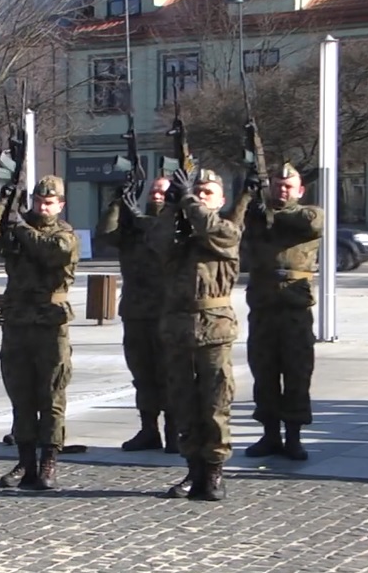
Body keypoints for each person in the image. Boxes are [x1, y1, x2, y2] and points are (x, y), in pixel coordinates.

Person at [0, 175, 78, 490]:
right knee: (20, 394)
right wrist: (3, 203)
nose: (42, 206)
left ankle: (49, 461)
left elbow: (51, 252)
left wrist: (20, 226)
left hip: (50, 322)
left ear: (60, 205)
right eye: (37, 201)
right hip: (18, 321)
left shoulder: (65, 235)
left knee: (51, 395)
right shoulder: (19, 232)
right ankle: (25, 462)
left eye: (49, 202)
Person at [151, 168, 240, 501]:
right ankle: (193, 469)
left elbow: (209, 226)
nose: (201, 196)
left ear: (221, 199)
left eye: (207, 192)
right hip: (178, 327)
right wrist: (172, 207)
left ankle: (215, 470)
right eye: (197, 191)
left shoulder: (226, 230)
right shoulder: (179, 237)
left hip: (214, 327)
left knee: (215, 402)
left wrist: (188, 199)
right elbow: (156, 242)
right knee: (183, 402)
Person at [239, 162, 322, 462]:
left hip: (294, 309)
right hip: (262, 307)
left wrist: (276, 210)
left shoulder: (309, 214)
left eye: (288, 186)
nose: (282, 190)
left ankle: (294, 437)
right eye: (277, 186)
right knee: (264, 372)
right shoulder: (257, 216)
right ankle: (270, 434)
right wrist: (249, 199)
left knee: (297, 373)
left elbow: (312, 223)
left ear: (300, 190)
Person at [97, 176, 174, 452]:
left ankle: (174, 431)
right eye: (152, 190)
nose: (156, 195)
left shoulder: (176, 222)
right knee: (142, 373)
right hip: (136, 309)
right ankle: (149, 429)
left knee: (170, 373)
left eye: (162, 191)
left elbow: (160, 236)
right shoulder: (133, 226)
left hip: (168, 310)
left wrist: (141, 217)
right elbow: (105, 234)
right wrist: (117, 202)